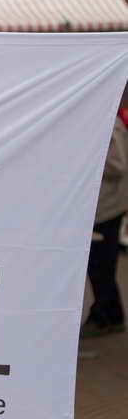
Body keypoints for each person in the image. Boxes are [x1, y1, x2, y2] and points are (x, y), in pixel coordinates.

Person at [81, 117, 128, 338]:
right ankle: (110, 315)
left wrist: (87, 154)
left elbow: (117, 167)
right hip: (102, 208)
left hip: (106, 210)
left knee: (101, 266)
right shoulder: (102, 121)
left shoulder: (108, 123)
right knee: (100, 266)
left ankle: (105, 317)